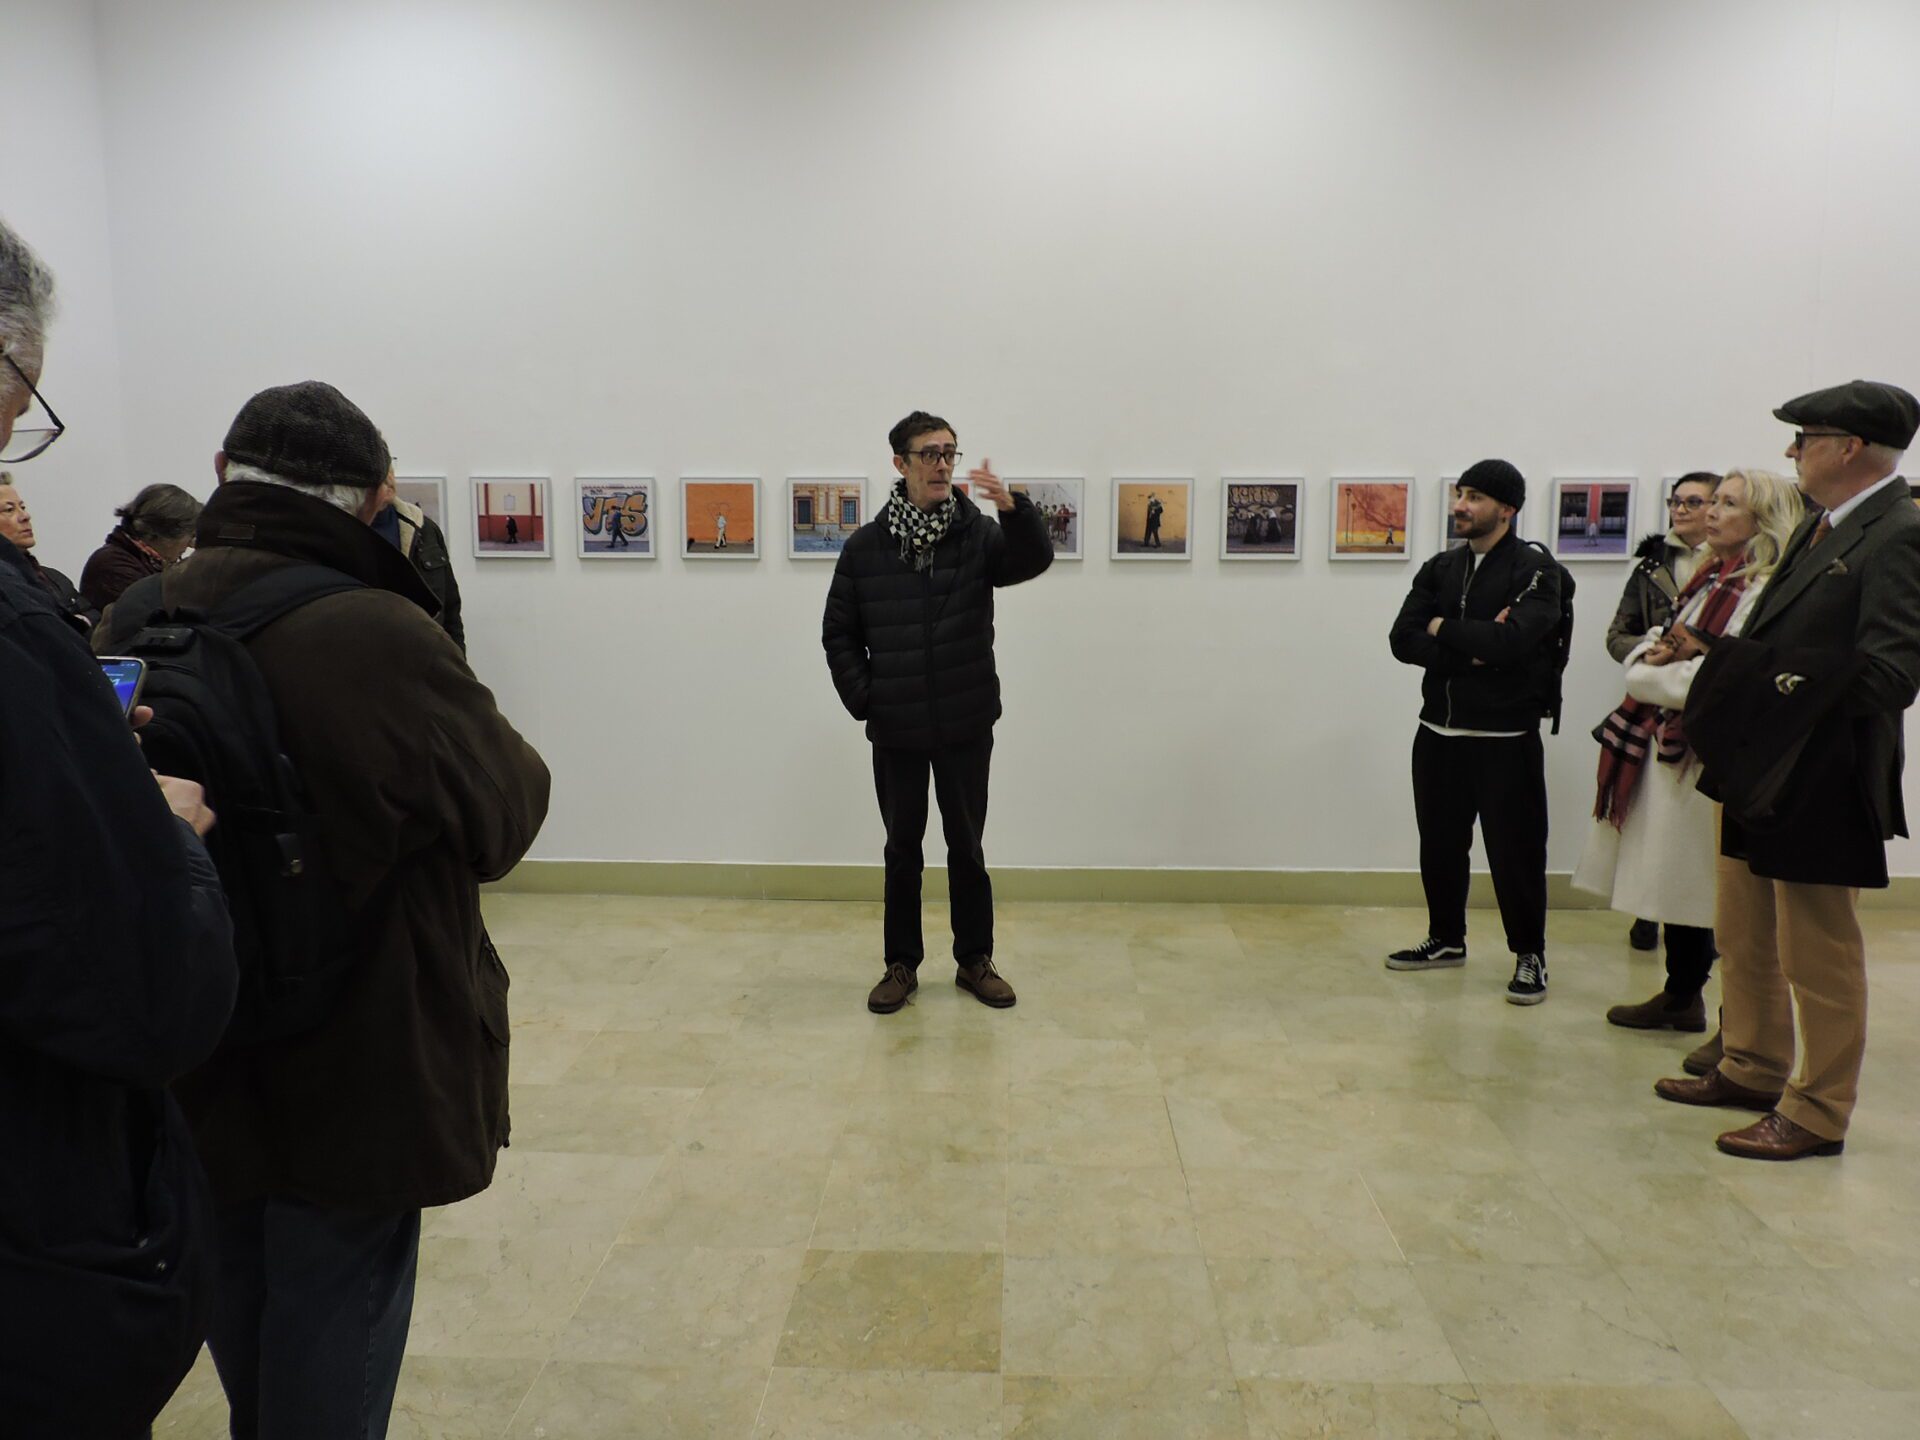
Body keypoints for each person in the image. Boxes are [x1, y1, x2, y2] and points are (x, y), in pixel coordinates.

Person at [98, 381, 551, 1432]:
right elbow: (508, 813)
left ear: (223, 475)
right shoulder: (376, 632)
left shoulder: (135, 617)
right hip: (361, 1049)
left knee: (241, 1298)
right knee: (336, 1315)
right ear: (378, 497)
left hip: (200, 1032)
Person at [0, 219, 238, 1438]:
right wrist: (169, 839)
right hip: (36, 1249)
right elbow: (148, 992)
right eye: (16, 418)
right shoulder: (25, 632)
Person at [1655, 380, 1920, 1161]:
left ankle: (1818, 1110)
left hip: (1824, 771)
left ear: (1849, 447)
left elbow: (1890, 675)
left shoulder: (1898, 532)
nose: (1791, 452)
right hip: (1765, 761)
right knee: (1744, 931)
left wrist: (1762, 678)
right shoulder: (1820, 524)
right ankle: (1752, 1065)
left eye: (1804, 439)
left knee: (1818, 951)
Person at [823, 410, 1052, 1014]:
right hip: (896, 728)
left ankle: (975, 961)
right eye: (929, 453)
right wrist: (867, 698)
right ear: (900, 463)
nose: (942, 464)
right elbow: (839, 633)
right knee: (902, 850)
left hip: (965, 722)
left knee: (967, 847)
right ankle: (900, 965)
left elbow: (1032, 560)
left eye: (949, 453)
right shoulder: (866, 548)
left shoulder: (978, 536)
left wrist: (1015, 509)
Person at [1574, 470, 1804, 1038]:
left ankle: (1739, 1029)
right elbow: (1656, 645)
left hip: (1717, 753)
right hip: (1673, 742)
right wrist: (1658, 662)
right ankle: (1681, 996)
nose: (1710, 513)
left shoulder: (1762, 587)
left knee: (1723, 897)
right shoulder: (1709, 577)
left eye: (1726, 504)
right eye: (1709, 502)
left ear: (1763, 518)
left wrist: (1654, 670)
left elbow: (1713, 676)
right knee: (1680, 884)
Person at [1387, 459, 1562, 1004]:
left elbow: (1514, 644)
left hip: (1505, 739)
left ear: (1507, 509)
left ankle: (1529, 954)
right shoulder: (1440, 567)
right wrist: (1472, 649)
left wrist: (1443, 629)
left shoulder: (1537, 570)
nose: (1460, 505)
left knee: (1516, 853)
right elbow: (1402, 639)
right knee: (1440, 844)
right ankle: (1446, 938)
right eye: (1460, 494)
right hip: (1437, 732)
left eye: (1475, 497)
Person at [1608, 471, 1718, 950]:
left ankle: (1703, 920)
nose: (1681, 510)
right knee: (1654, 819)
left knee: (1698, 830)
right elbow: (1618, 634)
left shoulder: (1736, 571)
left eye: (1694, 502)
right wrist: (1654, 651)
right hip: (1656, 705)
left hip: (1708, 706)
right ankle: (1650, 910)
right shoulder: (1652, 566)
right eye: (1676, 502)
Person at [370, 468, 466, 653]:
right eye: (378, 467)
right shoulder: (342, 532)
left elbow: (451, 609)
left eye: (389, 466)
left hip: (428, 656)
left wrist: (457, 661)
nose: (388, 478)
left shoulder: (425, 528)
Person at [80, 482, 201, 613]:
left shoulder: (144, 562)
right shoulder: (114, 565)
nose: (191, 544)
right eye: (190, 534)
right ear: (166, 532)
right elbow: (158, 616)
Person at [0, 470, 96, 630]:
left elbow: (95, 614)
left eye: (22, 507)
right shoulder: (7, 585)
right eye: (9, 510)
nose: (25, 516)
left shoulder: (53, 578)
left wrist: (82, 621)